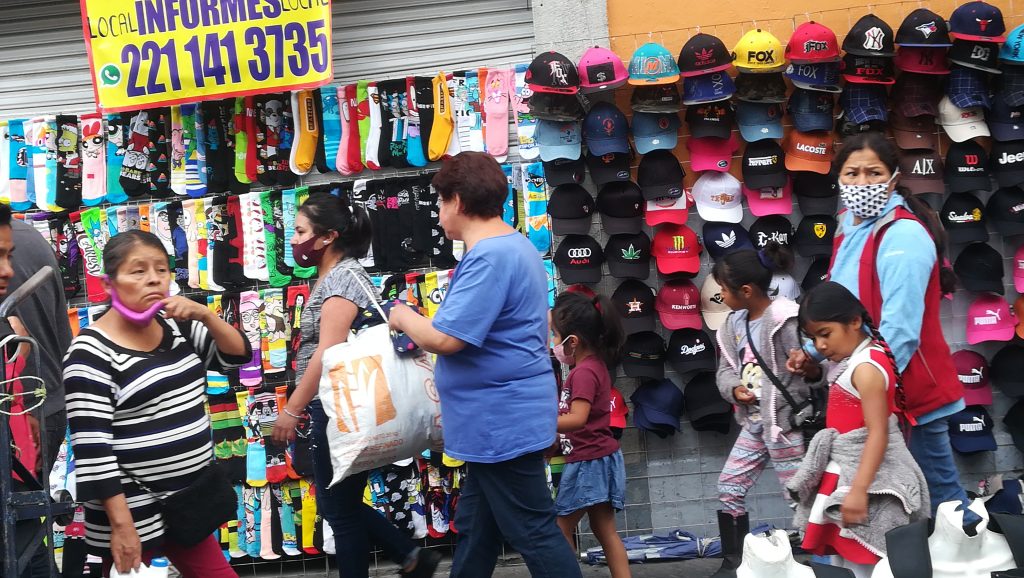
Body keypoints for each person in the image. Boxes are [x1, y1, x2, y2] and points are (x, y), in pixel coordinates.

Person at [388, 152, 583, 578]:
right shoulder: (514, 246)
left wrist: (401, 314)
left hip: (500, 423)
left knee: (533, 531)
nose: (438, 216)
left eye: (439, 204)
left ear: (457, 200)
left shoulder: (490, 257)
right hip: (499, 420)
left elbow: (446, 339)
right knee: (477, 529)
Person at [787, 132, 970, 522]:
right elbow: (846, 314)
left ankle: (975, 558)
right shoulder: (848, 229)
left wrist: (866, 392)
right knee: (902, 500)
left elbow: (900, 332)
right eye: (852, 173)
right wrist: (814, 352)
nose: (862, 182)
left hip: (909, 393)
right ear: (838, 179)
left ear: (893, 178)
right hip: (871, 386)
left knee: (941, 497)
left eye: (873, 172)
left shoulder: (902, 236)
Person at [62, 230, 252, 577]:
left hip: (185, 505)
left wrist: (206, 316)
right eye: (138, 271)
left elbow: (236, 356)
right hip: (130, 514)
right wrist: (121, 526)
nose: (153, 278)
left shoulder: (176, 327)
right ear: (109, 284)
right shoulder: (89, 354)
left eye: (161, 269)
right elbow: (93, 451)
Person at [269, 192, 439, 578]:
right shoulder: (335, 276)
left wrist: (292, 410)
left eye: (300, 231)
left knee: (340, 511)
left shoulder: (343, 278)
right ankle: (411, 556)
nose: (294, 240)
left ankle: (410, 556)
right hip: (339, 406)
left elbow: (326, 353)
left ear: (327, 236)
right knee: (339, 505)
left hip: (340, 409)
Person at [788, 282, 929, 578]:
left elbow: (877, 433)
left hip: (864, 479)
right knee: (847, 560)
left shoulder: (866, 368)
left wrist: (858, 490)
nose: (821, 345)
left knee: (865, 561)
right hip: (849, 472)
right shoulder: (860, 358)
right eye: (813, 338)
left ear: (854, 321)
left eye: (825, 334)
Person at [710, 245, 812, 578]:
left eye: (723, 289)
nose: (721, 295)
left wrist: (805, 364)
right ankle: (735, 563)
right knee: (730, 487)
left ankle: (818, 560)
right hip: (753, 424)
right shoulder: (732, 325)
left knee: (799, 497)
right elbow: (726, 368)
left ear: (746, 290)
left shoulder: (784, 320)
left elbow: (809, 367)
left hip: (785, 425)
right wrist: (733, 389)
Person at [549, 290, 629, 578]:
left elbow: (579, 418)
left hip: (588, 463)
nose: (554, 344)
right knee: (605, 531)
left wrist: (543, 423)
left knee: (561, 527)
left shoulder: (582, 373)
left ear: (574, 341)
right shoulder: (594, 367)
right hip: (601, 458)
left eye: (556, 337)